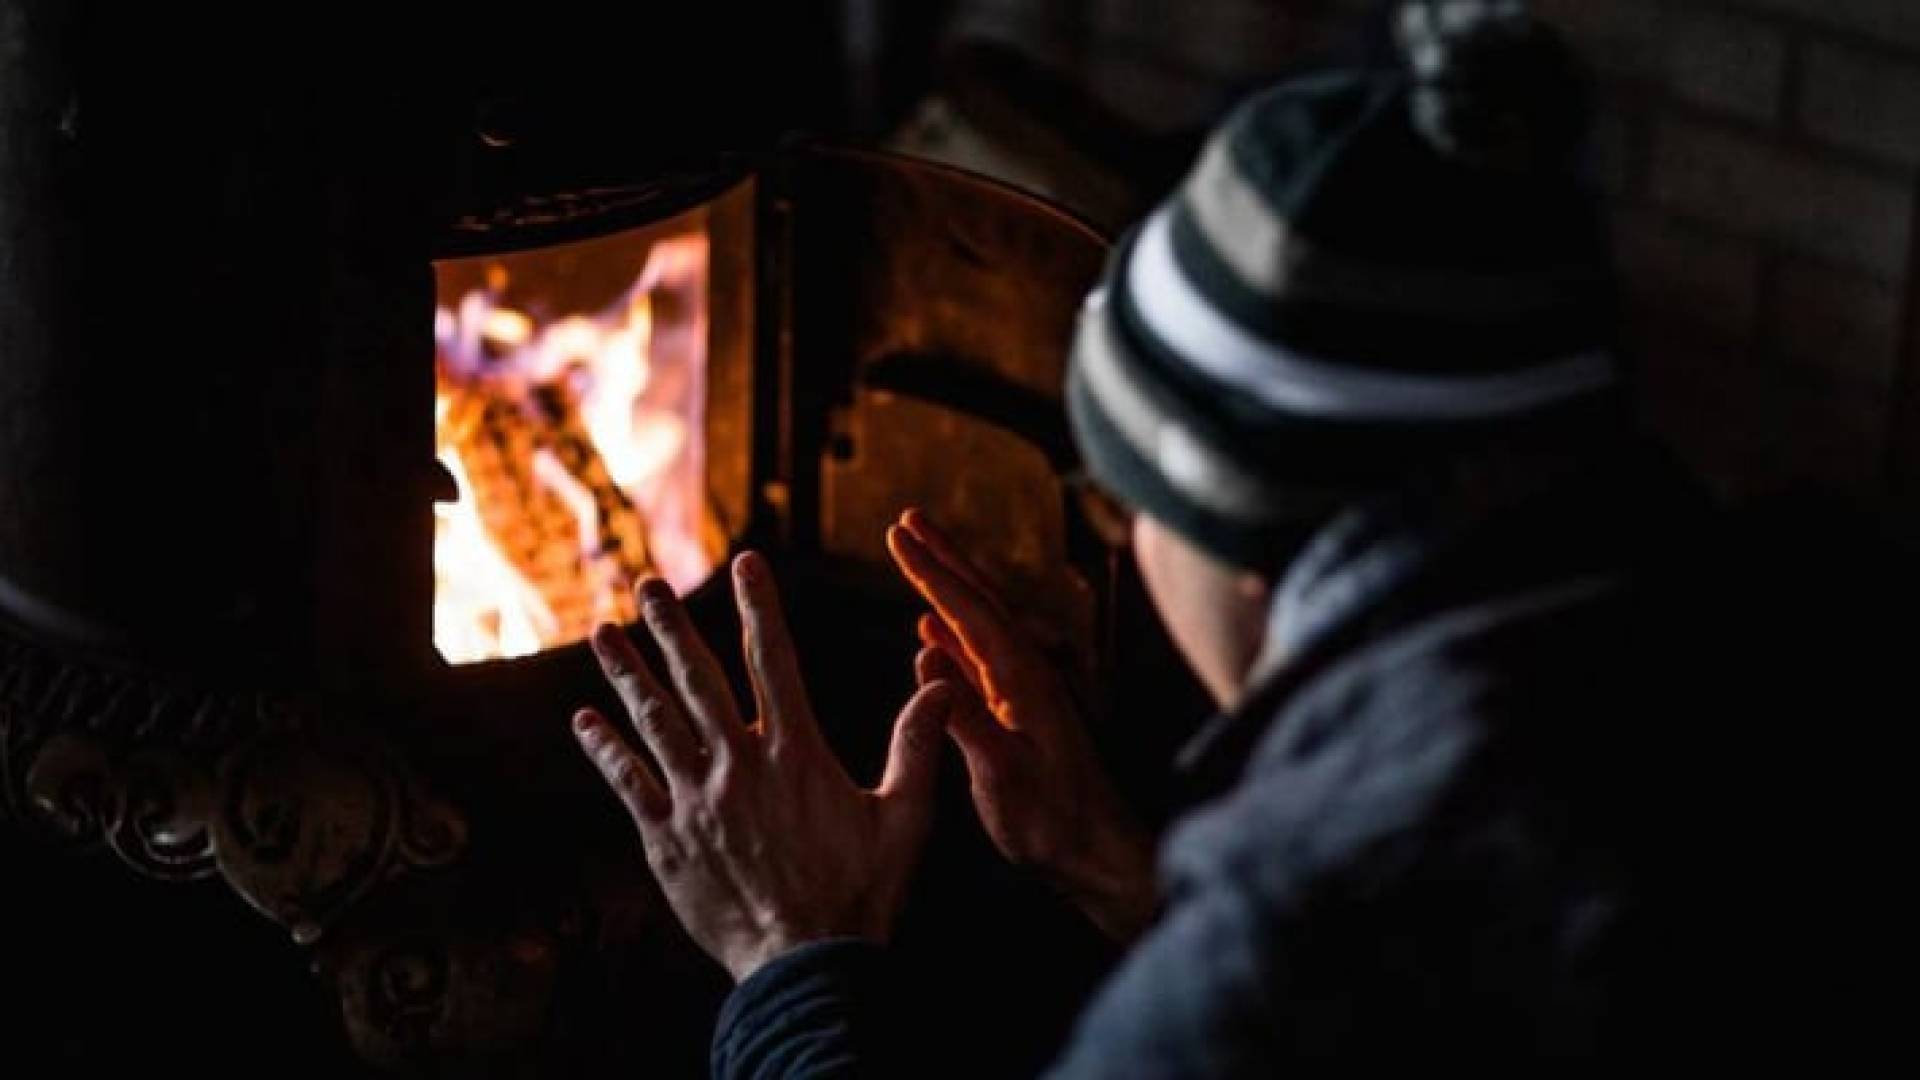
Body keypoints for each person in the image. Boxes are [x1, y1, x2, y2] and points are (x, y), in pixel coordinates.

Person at [568, 1, 1896, 1072]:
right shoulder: (1763, 648)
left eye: (1125, 493)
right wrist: (1112, 864)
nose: (1123, 538)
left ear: (1236, 528)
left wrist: (790, 954)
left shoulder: (1275, 950)